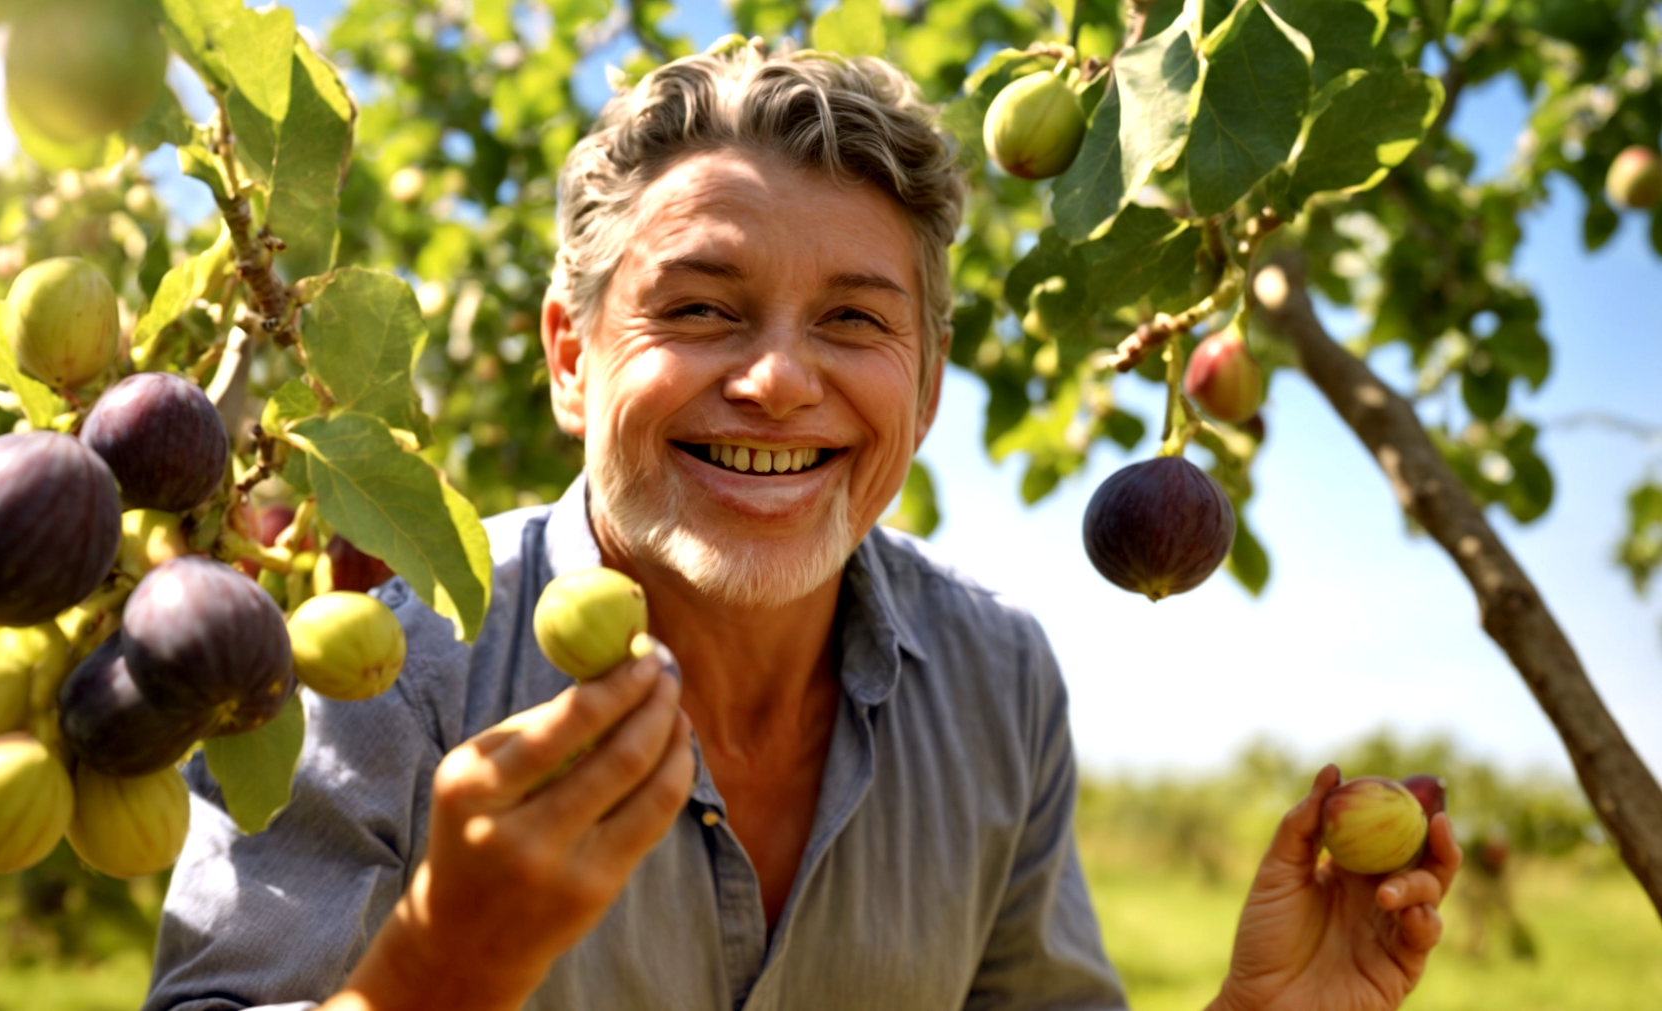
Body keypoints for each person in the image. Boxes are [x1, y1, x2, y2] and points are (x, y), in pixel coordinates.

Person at [145, 40, 1461, 1011]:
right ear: (568, 355)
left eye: (852, 319)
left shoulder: (1000, 685)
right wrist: (442, 967)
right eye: (704, 307)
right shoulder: (368, 665)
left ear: (927, 384)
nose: (778, 379)